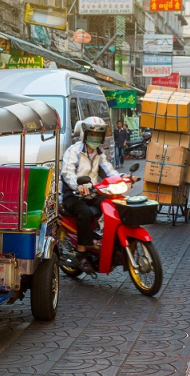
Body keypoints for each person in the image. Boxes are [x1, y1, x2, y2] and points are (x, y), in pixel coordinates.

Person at [61, 117, 119, 273]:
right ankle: (81, 253)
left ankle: (103, 240)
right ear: (85, 135)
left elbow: (109, 171)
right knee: (85, 213)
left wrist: (123, 179)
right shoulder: (73, 151)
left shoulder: (100, 153)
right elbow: (67, 173)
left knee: (111, 206)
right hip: (72, 193)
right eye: (92, 135)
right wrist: (78, 185)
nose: (95, 138)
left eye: (98, 135)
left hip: (92, 192)